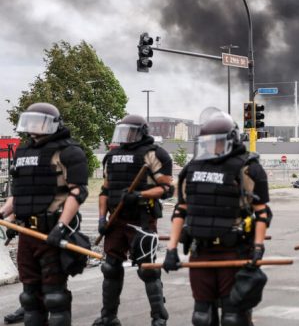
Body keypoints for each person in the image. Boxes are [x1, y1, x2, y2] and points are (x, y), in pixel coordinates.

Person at [162, 112, 271, 326]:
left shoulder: (247, 169)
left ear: (231, 140)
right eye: (207, 143)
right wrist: (171, 249)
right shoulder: (192, 169)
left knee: (233, 318)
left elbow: (262, 213)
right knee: (202, 317)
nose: (212, 147)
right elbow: (180, 211)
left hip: (234, 251)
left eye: (218, 142)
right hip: (200, 251)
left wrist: (258, 247)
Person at [0, 103, 88, 325]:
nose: (33, 126)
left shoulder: (69, 152)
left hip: (52, 233)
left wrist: (61, 227)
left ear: (53, 124)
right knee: (30, 296)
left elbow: (77, 191)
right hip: (27, 233)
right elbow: (19, 192)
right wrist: (3, 214)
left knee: (55, 296)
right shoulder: (23, 151)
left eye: (39, 121)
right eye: (30, 121)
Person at [93, 114, 174, 326]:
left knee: (146, 269)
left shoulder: (154, 155)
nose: (126, 135)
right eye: (123, 131)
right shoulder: (112, 155)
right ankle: (108, 317)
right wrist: (102, 219)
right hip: (116, 219)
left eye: (131, 131)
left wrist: (139, 195)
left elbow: (166, 189)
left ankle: (159, 317)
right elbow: (104, 191)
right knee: (110, 267)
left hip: (142, 219)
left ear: (141, 132)